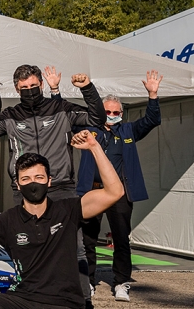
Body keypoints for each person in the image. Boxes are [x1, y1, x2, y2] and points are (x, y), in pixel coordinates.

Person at [0, 65, 105, 306]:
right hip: (24, 189)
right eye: (24, 88)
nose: (29, 91)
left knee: (75, 247)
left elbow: (96, 118)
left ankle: (83, 300)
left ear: (41, 85)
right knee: (24, 246)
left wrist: (87, 89)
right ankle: (30, 295)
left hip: (60, 187)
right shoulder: (11, 115)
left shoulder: (60, 108)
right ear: (17, 89)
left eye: (33, 86)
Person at [0, 131, 124, 309]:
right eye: (26, 179)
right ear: (17, 184)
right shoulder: (7, 219)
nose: (33, 183)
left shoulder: (69, 209)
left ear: (49, 181)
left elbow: (115, 192)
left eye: (39, 177)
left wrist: (94, 147)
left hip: (65, 303)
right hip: (22, 298)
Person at [76, 71, 163, 303]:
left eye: (116, 112)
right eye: (108, 112)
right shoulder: (88, 130)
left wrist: (152, 95)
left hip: (120, 194)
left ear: (121, 114)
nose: (112, 115)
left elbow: (152, 120)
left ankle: (121, 282)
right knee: (87, 240)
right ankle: (89, 282)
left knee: (122, 239)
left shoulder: (128, 131)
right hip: (92, 190)